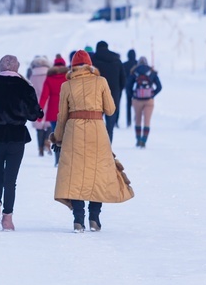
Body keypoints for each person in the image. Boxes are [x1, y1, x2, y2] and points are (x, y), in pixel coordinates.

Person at [49, 50, 134, 232]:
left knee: (76, 175)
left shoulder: (67, 85)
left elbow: (62, 116)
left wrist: (57, 138)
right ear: (90, 65)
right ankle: (94, 218)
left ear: (73, 66)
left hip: (74, 132)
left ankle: (78, 220)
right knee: (99, 174)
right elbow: (110, 110)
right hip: (97, 130)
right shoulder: (100, 81)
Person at [0, 55, 44, 231]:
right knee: (11, 179)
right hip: (16, 138)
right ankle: (7, 218)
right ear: (17, 68)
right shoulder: (24, 86)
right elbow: (34, 114)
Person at [91, 41, 127, 142]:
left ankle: (96, 145)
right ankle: (107, 147)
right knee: (110, 125)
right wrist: (118, 91)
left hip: (96, 96)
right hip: (113, 96)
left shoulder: (92, 60)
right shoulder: (117, 60)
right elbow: (123, 80)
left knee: (96, 123)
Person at [39, 54, 69, 166]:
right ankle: (66, 159)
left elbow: (44, 96)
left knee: (56, 136)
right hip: (66, 110)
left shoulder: (49, 78)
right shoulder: (68, 77)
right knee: (67, 135)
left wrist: (39, 113)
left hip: (53, 111)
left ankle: (57, 159)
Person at [127, 56, 163, 148]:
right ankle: (144, 140)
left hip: (137, 99)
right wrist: (152, 94)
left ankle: (138, 140)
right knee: (147, 121)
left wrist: (133, 95)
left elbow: (128, 86)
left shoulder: (134, 71)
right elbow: (159, 86)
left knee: (138, 120)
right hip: (149, 100)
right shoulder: (151, 72)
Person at [27, 56, 52, 156]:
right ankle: (47, 141)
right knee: (49, 124)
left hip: (37, 102)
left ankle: (40, 148)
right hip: (48, 100)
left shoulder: (32, 77)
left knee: (39, 126)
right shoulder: (49, 75)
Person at [122, 49, 138, 128]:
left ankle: (128, 121)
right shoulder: (137, 64)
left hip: (128, 87)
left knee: (128, 104)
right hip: (137, 87)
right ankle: (137, 120)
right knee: (137, 104)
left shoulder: (124, 64)